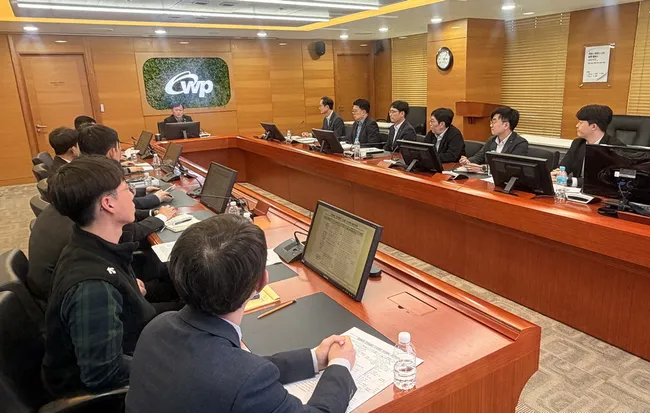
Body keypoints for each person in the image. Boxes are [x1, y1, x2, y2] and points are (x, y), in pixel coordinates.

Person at [126, 215, 357, 413]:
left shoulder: (158, 327)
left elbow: (232, 368)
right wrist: (340, 365)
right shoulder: (245, 379)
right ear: (262, 281)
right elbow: (240, 375)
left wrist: (314, 358)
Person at [41, 156, 157, 397]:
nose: (132, 195)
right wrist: (171, 363)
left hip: (132, 339)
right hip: (107, 396)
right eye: (127, 188)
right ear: (108, 204)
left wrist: (127, 290)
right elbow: (103, 373)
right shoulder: (93, 288)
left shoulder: (86, 244)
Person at [551, 104, 625, 187]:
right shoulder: (578, 143)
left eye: (581, 123)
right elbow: (563, 168)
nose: (577, 125)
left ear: (593, 126)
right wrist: (556, 174)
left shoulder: (614, 148)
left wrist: (572, 181)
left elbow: (607, 181)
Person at [460, 106, 528, 171]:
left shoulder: (520, 143)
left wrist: (483, 168)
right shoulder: (491, 140)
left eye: (494, 122)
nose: (491, 125)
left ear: (506, 125)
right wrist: (467, 161)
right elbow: (479, 157)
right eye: (491, 122)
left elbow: (510, 168)